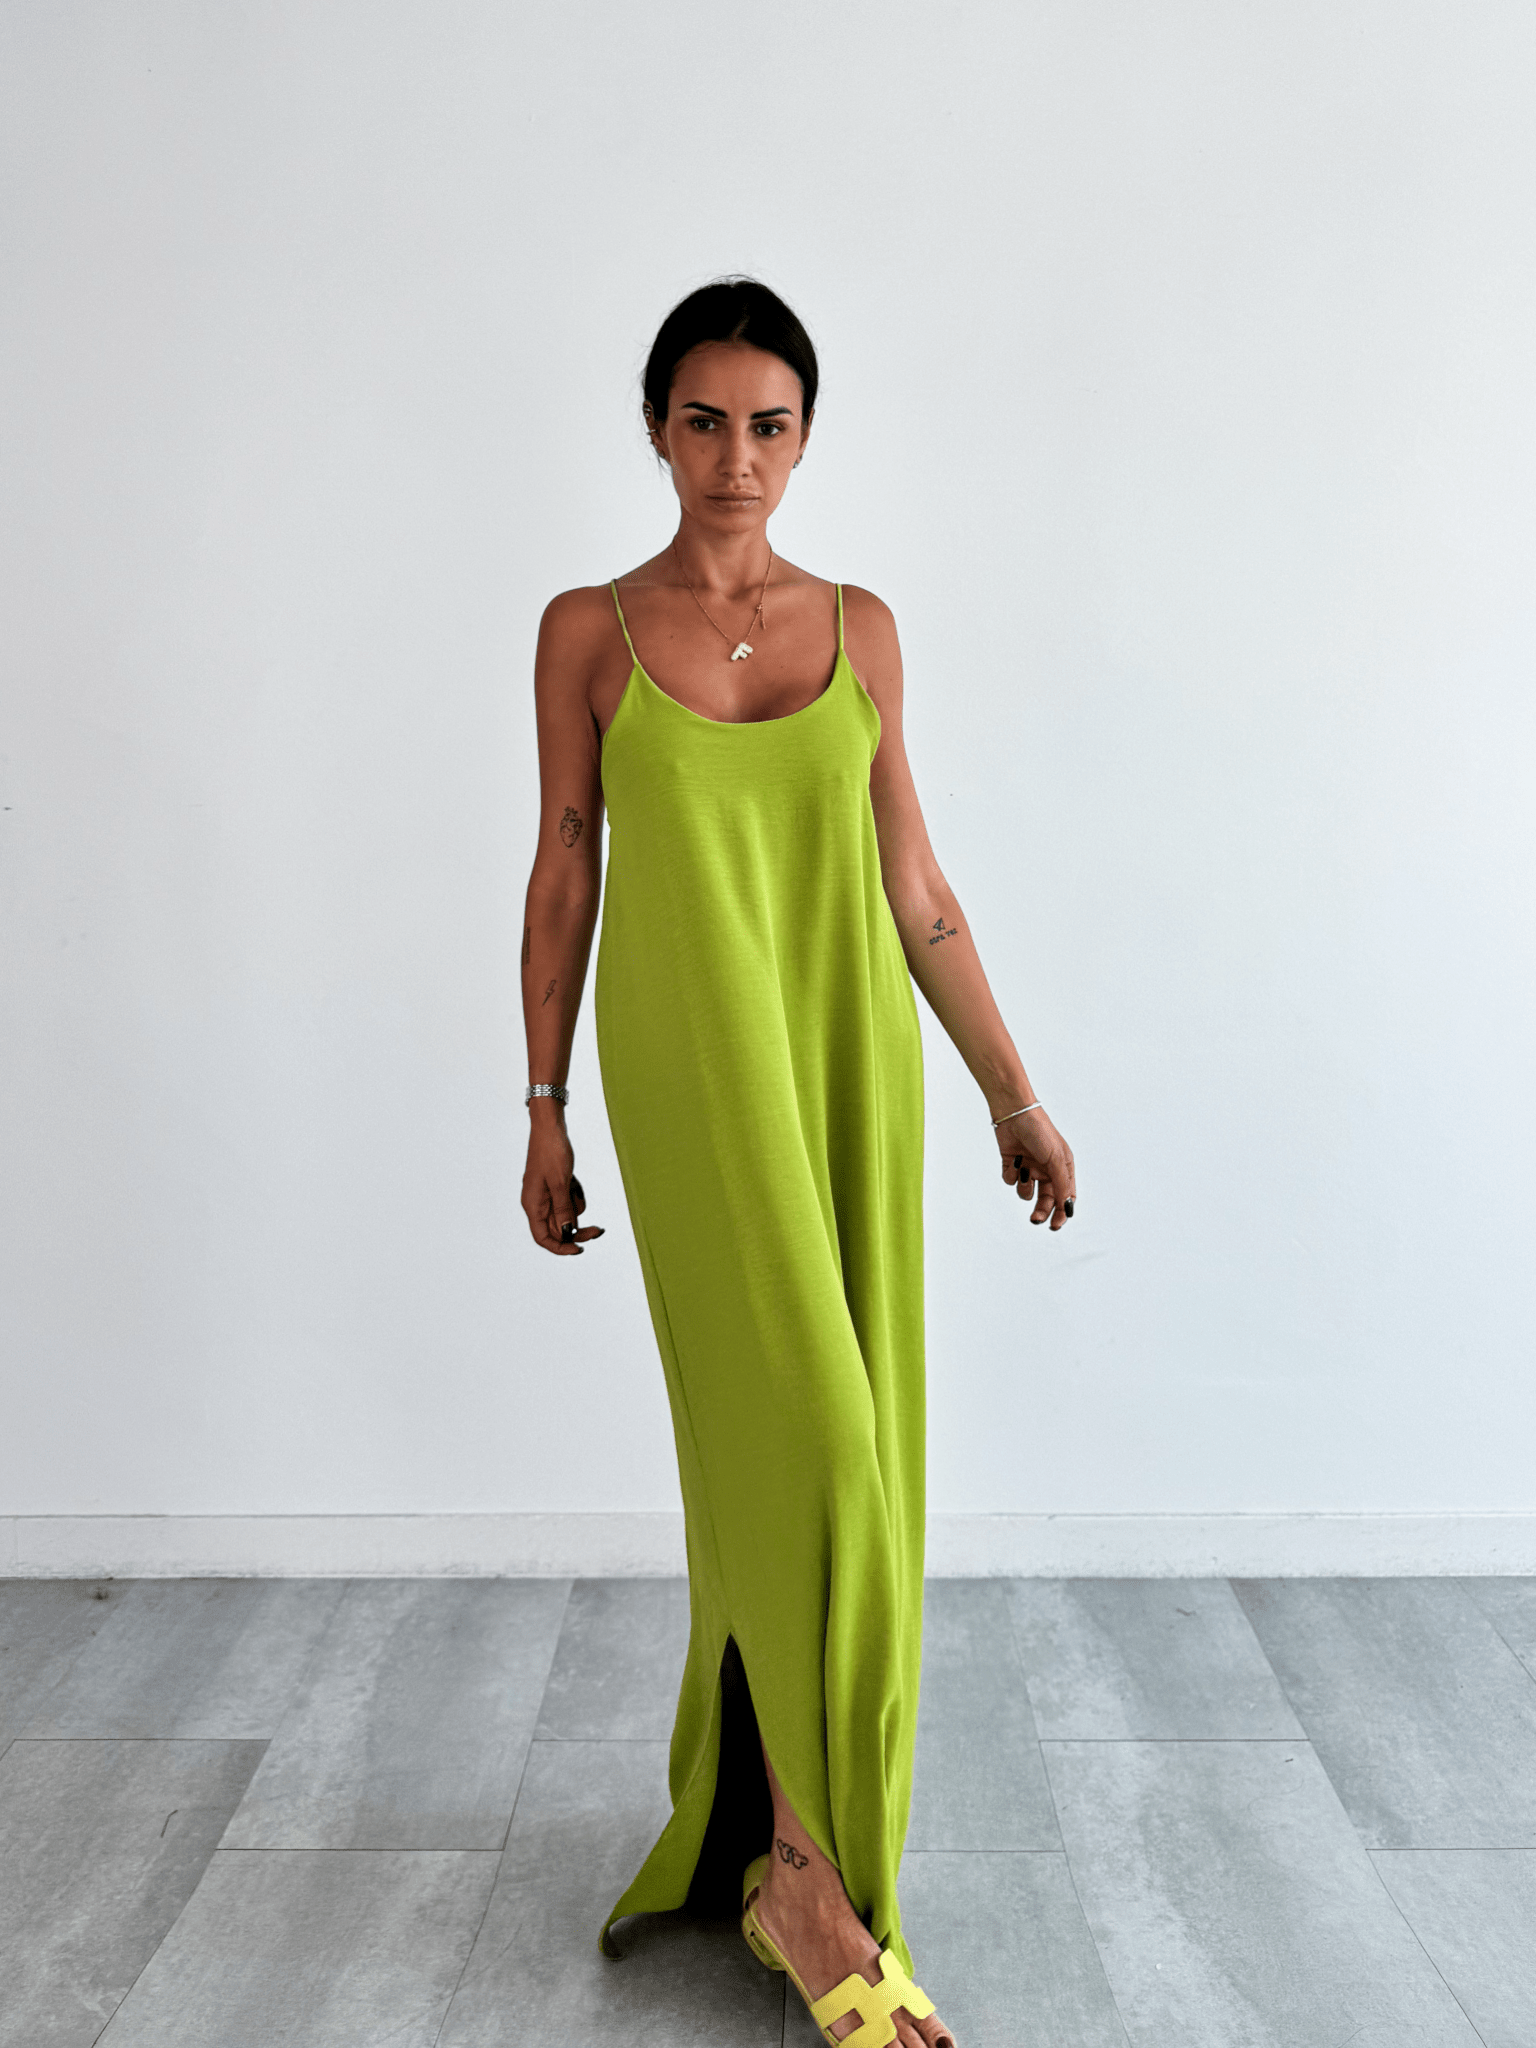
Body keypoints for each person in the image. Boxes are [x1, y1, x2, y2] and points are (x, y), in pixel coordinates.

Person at [520, 277, 1075, 2048]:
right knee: (814, 1452)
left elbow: (916, 885)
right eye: (703, 422)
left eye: (769, 425)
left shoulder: (862, 628)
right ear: (656, 431)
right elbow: (565, 866)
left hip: (847, 1066)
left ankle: (784, 1855)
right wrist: (541, 1102)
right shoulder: (590, 630)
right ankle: (811, 1896)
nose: (736, 458)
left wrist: (1009, 1091)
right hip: (692, 1079)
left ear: (806, 437)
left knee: (852, 1471)